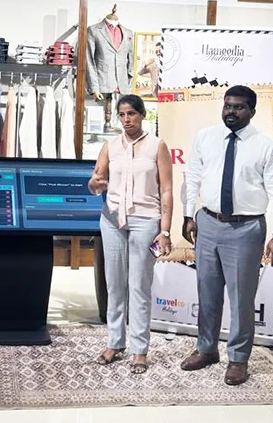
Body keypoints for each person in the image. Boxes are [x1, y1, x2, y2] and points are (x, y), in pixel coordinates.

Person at [180, 85, 273, 386]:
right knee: (207, 292)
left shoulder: (266, 147)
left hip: (246, 228)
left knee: (241, 298)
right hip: (208, 223)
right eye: (228, 105)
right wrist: (189, 215)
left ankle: (239, 359)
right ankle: (206, 349)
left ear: (252, 111)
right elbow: (193, 178)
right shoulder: (206, 137)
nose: (231, 111)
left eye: (239, 107)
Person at [88, 95, 173, 375]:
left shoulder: (157, 146)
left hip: (145, 221)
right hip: (112, 220)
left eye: (132, 114)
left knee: (139, 286)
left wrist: (165, 230)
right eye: (122, 114)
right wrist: (95, 183)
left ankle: (139, 349)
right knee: (114, 284)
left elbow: (166, 191)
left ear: (142, 114)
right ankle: (115, 342)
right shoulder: (110, 146)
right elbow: (95, 184)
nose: (127, 120)